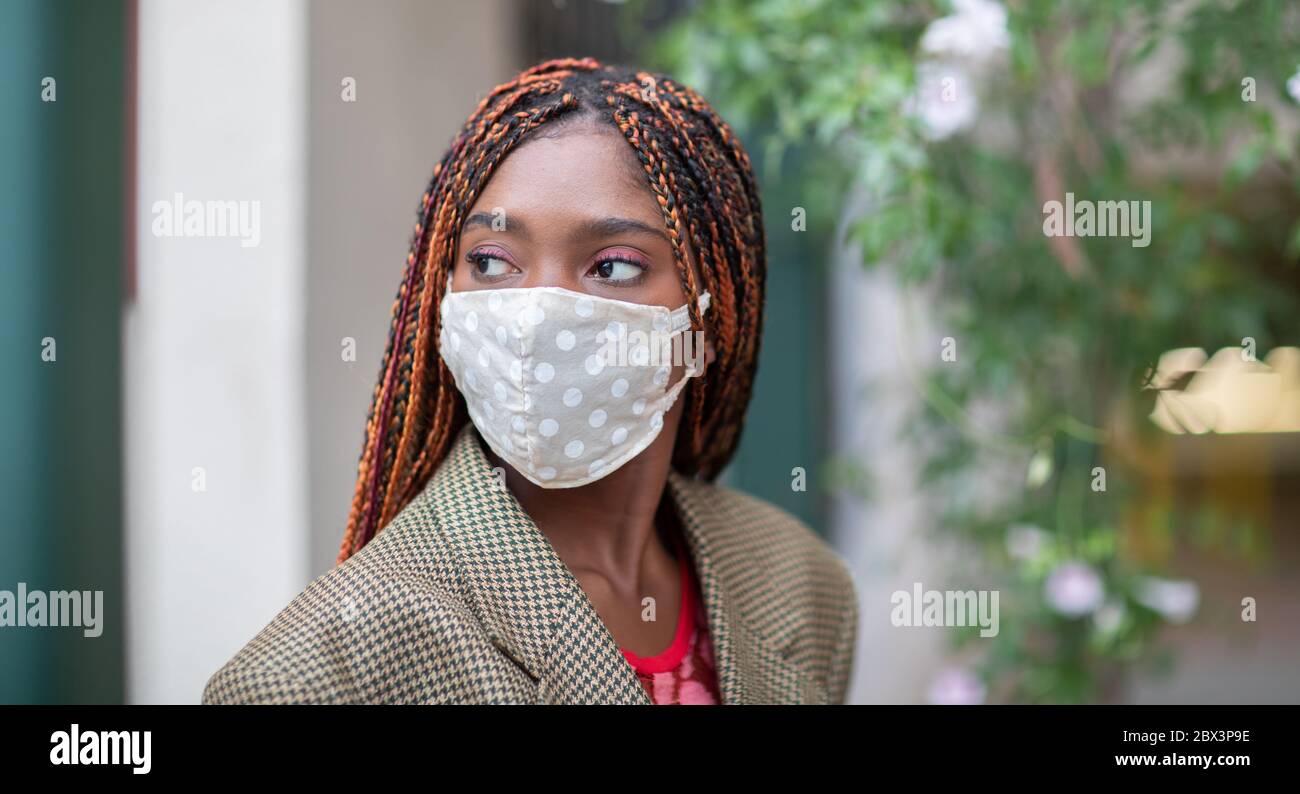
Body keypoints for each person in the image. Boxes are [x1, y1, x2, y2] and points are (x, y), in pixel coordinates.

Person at [202, 57, 858, 705]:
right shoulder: (319, 673)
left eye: (616, 267)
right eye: (490, 261)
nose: (537, 315)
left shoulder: (802, 584)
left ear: (712, 318)